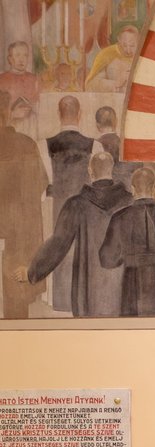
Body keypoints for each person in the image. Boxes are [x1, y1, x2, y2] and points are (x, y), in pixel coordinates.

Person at [20, 152, 132, 317]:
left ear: (90, 171)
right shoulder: (130, 201)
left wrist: (32, 272)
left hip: (87, 294)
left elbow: (58, 244)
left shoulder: (76, 203)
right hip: (123, 291)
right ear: (111, 169)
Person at [43, 95, 104, 311]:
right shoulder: (94, 145)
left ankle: (58, 301)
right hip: (85, 208)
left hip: (58, 206)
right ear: (79, 115)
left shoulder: (45, 145)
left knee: (59, 244)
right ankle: (80, 301)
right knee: (82, 249)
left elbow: (47, 182)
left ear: (59, 114)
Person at [0, 90, 47, 319]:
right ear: (8, 112)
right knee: (16, 306)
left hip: (12, 231)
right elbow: (40, 184)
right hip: (18, 232)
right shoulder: (26, 144)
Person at [100, 166, 155, 317]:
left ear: (133, 188)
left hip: (132, 286)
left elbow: (107, 260)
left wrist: (126, 255)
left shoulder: (119, 217)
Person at [0, 41, 39, 136]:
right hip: (9, 128)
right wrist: (13, 114)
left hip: (31, 127)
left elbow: (40, 106)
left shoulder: (34, 79)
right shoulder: (2, 79)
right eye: (17, 55)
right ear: (10, 59)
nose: (21, 60)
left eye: (25, 55)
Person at [86, 26, 139, 92]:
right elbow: (91, 85)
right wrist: (116, 83)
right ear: (119, 40)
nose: (128, 50)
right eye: (124, 45)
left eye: (132, 46)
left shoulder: (142, 57)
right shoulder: (107, 54)